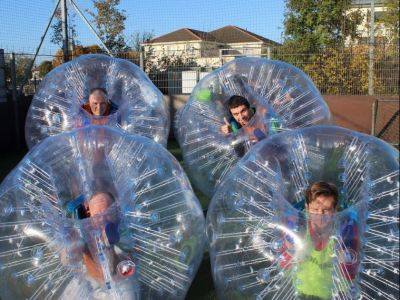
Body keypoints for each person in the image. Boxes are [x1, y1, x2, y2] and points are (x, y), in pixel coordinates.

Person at [280, 182, 359, 300]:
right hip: (302, 290)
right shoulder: (296, 228)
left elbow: (351, 273)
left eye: (326, 210)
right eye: (315, 209)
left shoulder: (346, 230)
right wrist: (291, 253)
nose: (320, 214)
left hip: (336, 293)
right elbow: (283, 264)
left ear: (335, 209)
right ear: (306, 208)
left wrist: (345, 259)